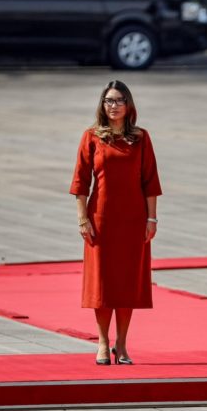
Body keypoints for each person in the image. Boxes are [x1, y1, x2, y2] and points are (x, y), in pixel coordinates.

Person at [69, 80, 162, 366]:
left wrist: (151, 217)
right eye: (108, 101)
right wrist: (83, 219)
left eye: (119, 100)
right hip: (101, 219)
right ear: (102, 105)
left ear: (129, 105)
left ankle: (121, 343)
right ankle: (102, 341)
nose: (113, 106)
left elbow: (150, 181)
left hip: (133, 221)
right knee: (103, 284)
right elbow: (81, 182)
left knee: (126, 283)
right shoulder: (92, 137)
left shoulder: (141, 138)